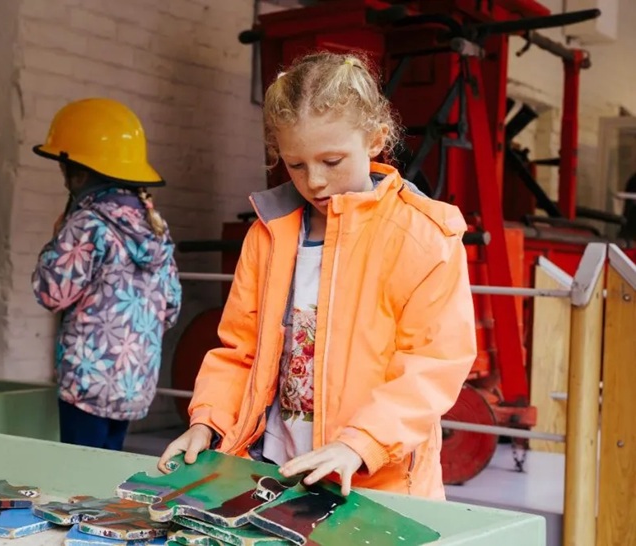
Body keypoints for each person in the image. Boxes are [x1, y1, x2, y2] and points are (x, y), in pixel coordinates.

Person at [158, 52, 476, 500]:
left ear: (375, 139)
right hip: (270, 468)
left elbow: (432, 365)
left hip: (374, 480)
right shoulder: (267, 234)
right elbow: (239, 349)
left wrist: (358, 444)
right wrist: (207, 421)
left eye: (332, 161)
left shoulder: (424, 236)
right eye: (296, 165)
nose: (315, 182)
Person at [31, 98, 182, 451]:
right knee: (104, 476)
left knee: (78, 480)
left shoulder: (87, 224)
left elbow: (51, 292)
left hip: (88, 381)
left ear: (79, 173)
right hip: (135, 381)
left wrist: (57, 237)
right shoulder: (155, 228)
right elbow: (171, 308)